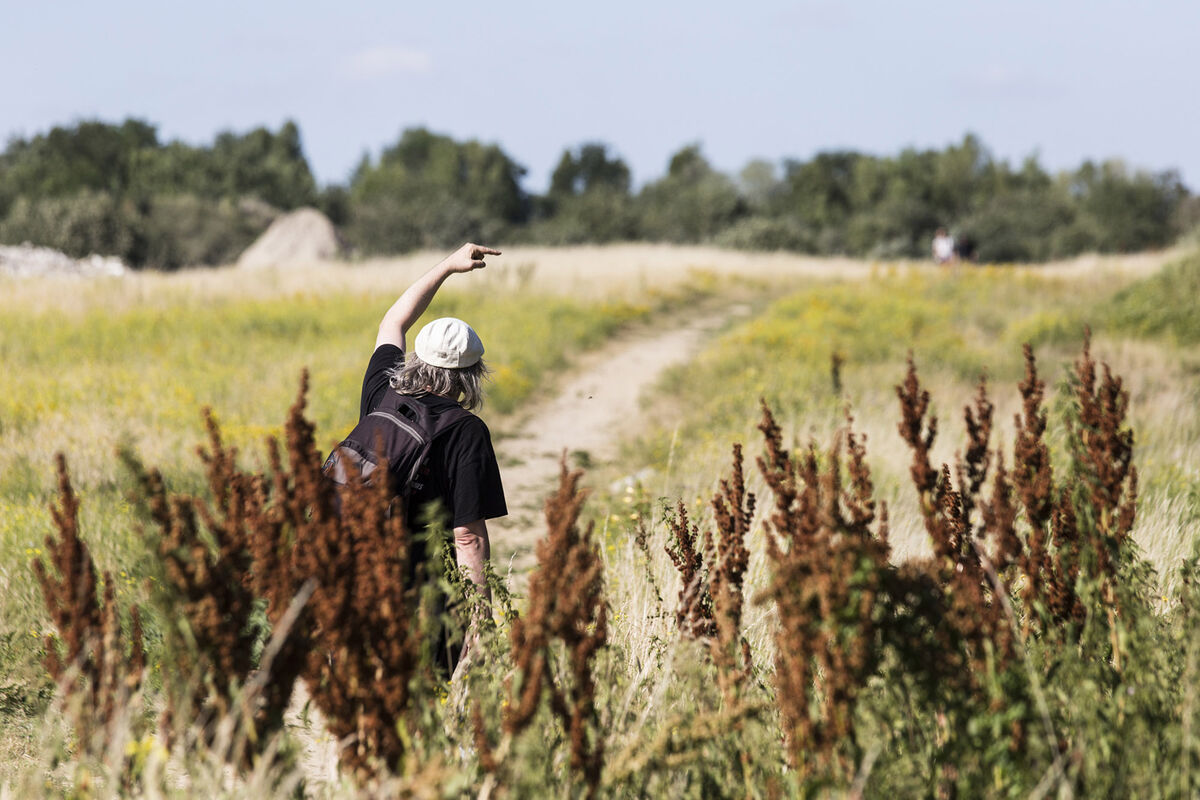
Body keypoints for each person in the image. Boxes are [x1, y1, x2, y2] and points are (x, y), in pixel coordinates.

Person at [357, 242, 508, 668]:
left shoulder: (383, 391)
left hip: (355, 577)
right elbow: (467, 537)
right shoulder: (465, 430)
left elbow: (394, 320)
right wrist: (479, 622)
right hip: (421, 598)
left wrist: (447, 267)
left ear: (417, 358)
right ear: (472, 376)